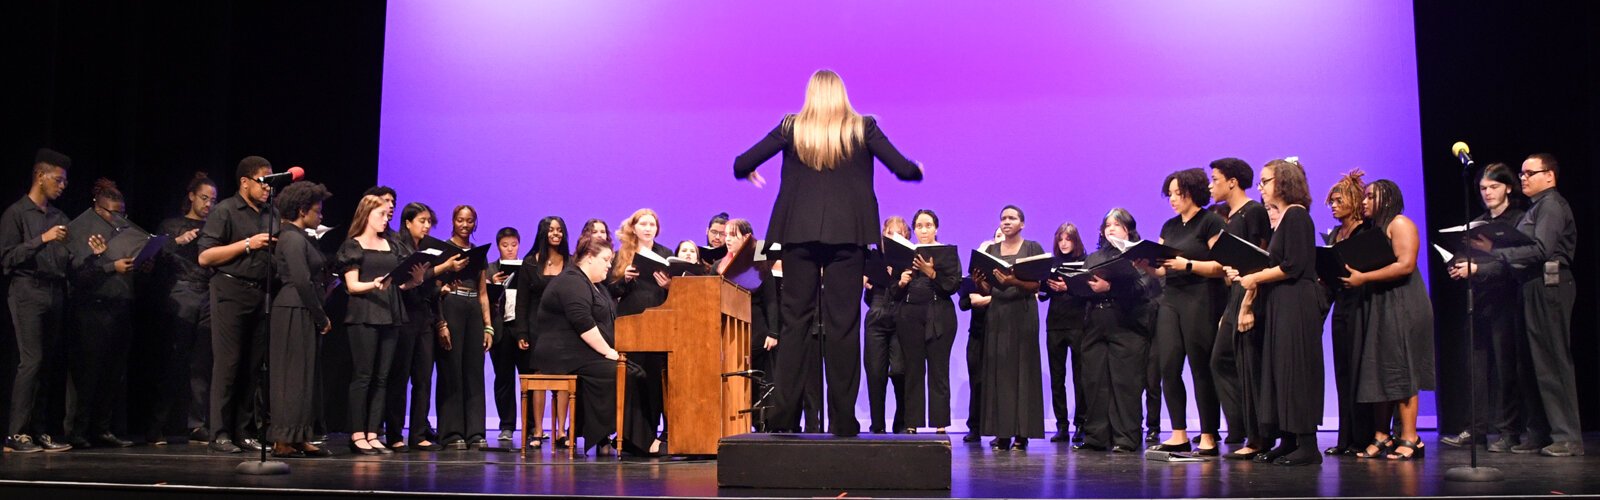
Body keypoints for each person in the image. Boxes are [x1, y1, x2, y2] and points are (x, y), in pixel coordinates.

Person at [733, 69, 923, 436]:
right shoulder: (862, 128)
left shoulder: (791, 127)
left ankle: (783, 418)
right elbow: (902, 169)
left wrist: (751, 171)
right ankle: (843, 421)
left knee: (795, 326)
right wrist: (917, 170)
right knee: (843, 327)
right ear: (842, 95)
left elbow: (741, 162)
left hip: (798, 236)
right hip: (847, 237)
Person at [1474, 153, 1580, 457]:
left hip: (1550, 285)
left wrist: (1500, 254)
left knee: (1552, 362)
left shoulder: (1552, 206)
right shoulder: (1537, 207)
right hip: (1531, 285)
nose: (1523, 178)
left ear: (1549, 176)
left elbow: (1542, 248)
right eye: (1521, 173)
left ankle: (1567, 437)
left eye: (1529, 173)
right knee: (1530, 365)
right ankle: (1540, 434)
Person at [1228, 158, 1324, 466]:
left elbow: (1293, 266)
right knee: (1281, 369)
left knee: (1296, 368)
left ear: (1283, 182)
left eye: (1265, 181)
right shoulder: (1283, 219)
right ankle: (1288, 439)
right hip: (1281, 301)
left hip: (1297, 302)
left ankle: (1308, 444)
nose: (1261, 188)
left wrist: (1254, 278)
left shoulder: (1297, 216)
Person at [530, 233, 655, 455]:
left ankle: (629, 439)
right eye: (606, 260)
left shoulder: (596, 285)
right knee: (625, 373)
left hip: (581, 353)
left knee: (637, 371)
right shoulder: (571, 280)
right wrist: (609, 352)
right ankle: (634, 440)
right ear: (589, 257)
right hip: (563, 355)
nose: (609, 265)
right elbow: (583, 323)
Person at [1342, 179, 1435, 461]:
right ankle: (1382, 435)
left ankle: (1411, 436)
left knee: (1402, 367)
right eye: (1365, 197)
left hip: (1402, 303)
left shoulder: (1400, 223)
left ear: (1388, 198)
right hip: (1380, 303)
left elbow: (1405, 264)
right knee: (1379, 367)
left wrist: (1363, 278)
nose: (1365, 201)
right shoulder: (1374, 230)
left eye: (1371, 197)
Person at [1442, 162, 1526, 451]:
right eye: (1483, 188)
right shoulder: (1476, 222)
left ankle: (1508, 431)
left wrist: (1476, 268)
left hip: (1506, 300)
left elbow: (1512, 262)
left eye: (1494, 187)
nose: (1488, 193)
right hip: (1477, 301)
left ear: (1508, 188)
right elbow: (1466, 256)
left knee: (1505, 369)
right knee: (1474, 368)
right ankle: (1474, 429)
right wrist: (1457, 265)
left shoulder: (1519, 219)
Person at [196, 155, 277, 454]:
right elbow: (205, 257)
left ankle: (244, 431)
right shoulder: (226, 210)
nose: (268, 187)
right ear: (245, 182)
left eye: (270, 182)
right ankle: (219, 432)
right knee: (228, 364)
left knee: (252, 366)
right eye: (262, 181)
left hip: (261, 293)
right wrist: (247, 244)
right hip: (230, 290)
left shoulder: (271, 213)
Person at [1145, 168, 1228, 455]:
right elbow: (1160, 268)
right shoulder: (1169, 227)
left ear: (1191, 192)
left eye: (1176, 193)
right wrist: (1144, 265)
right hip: (1172, 298)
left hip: (1201, 297)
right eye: (1169, 194)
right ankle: (1178, 432)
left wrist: (1187, 265)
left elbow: (1221, 266)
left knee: (1200, 365)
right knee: (1168, 365)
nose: (1171, 199)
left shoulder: (1210, 221)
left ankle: (1208, 434)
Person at [339, 195, 426, 454]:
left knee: (382, 377)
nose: (386, 219)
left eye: (388, 215)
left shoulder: (392, 245)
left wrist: (416, 281)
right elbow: (353, 286)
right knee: (364, 376)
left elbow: (398, 284)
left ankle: (374, 432)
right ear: (367, 214)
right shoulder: (352, 245)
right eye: (381, 214)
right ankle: (357, 433)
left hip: (390, 313)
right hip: (364, 314)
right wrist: (374, 283)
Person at [1, 149, 75, 453]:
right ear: (40, 176)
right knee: (31, 361)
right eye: (58, 179)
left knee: (47, 365)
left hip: (55, 291)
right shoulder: (16, 213)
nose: (62, 185)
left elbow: (68, 258)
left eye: (65, 181)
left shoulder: (60, 216)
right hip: (26, 291)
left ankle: (40, 430)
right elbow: (7, 257)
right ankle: (16, 434)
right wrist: (41, 239)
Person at [64, 178, 144, 449]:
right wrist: (110, 266)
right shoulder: (81, 228)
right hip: (91, 310)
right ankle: (77, 430)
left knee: (113, 374)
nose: (120, 218)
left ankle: (102, 428)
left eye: (123, 212)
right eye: (115, 212)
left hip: (120, 307)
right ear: (99, 209)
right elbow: (76, 275)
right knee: (87, 374)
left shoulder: (123, 229)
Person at [1205, 158, 1273, 457]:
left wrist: (1248, 299)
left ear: (1232, 181)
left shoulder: (1254, 212)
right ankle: (1243, 428)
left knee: (1249, 365)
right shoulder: (1230, 216)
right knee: (1221, 360)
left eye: (1215, 178)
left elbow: (1264, 256)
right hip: (1235, 295)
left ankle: (1257, 436)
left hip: (1252, 295)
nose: (1211, 185)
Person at [1076, 208, 1158, 453]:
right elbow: (1085, 288)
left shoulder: (1139, 256)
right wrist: (1070, 285)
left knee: (1126, 383)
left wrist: (1109, 287)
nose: (1111, 229)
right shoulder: (1093, 257)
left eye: (1117, 225)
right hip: (1096, 322)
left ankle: (1126, 438)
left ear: (1128, 230)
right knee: (1095, 381)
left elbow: (1144, 287)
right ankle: (1096, 437)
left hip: (1127, 323)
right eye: (1107, 225)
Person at [266, 181, 336, 458]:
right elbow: (301, 280)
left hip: (302, 308)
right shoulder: (291, 237)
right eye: (317, 212)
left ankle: (300, 435)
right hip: (294, 308)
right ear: (302, 210)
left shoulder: (299, 236)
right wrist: (321, 316)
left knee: (305, 376)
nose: (320, 217)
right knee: (291, 376)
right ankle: (283, 438)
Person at [149, 172, 218, 445]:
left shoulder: (214, 227)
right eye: (204, 198)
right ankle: (157, 425)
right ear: (191, 196)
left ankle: (196, 425)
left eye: (213, 200)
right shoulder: (172, 225)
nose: (208, 205)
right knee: (174, 362)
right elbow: (152, 253)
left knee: (201, 364)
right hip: (181, 293)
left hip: (207, 293)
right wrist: (178, 241)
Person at [973, 205, 1044, 450]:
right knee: (999, 372)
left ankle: (1021, 434)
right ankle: (1002, 433)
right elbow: (986, 289)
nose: (1006, 222)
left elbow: (1036, 285)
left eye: (1012, 218)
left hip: (1022, 313)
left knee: (1022, 371)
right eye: (1003, 218)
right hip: (999, 314)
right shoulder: (991, 250)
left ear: (1022, 224)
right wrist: (980, 282)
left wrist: (1013, 281)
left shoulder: (1032, 248)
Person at [384, 201, 449, 452]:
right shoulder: (398, 247)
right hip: (403, 316)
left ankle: (419, 433)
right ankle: (394, 433)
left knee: (423, 378)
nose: (426, 226)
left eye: (429, 222)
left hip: (424, 316)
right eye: (422, 221)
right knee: (399, 378)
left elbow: (428, 286)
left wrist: (439, 288)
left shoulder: (428, 249)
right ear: (408, 222)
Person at [609, 208, 672, 454]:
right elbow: (609, 291)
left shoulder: (666, 254)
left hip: (658, 320)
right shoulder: (622, 254)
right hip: (631, 321)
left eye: (652, 224)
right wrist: (624, 279)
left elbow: (679, 291)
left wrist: (669, 285)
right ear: (633, 227)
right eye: (643, 224)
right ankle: (629, 435)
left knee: (655, 380)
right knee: (633, 377)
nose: (648, 228)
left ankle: (651, 435)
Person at [893, 209, 961, 435]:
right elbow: (892, 293)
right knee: (912, 370)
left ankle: (940, 423)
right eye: (919, 226)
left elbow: (952, 285)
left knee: (939, 369)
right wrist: (901, 282)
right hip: (910, 316)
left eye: (928, 225)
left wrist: (931, 273)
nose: (924, 230)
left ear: (936, 228)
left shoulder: (947, 254)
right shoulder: (904, 253)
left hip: (939, 315)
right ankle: (911, 422)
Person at [435, 205, 494, 450]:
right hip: (451, 306)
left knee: (474, 371)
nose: (465, 225)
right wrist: (441, 323)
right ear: (453, 221)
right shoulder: (442, 249)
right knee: (451, 370)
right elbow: (435, 288)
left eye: (470, 221)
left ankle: (475, 432)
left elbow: (483, 292)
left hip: (473, 309)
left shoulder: (478, 253)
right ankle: (451, 433)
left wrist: (488, 327)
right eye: (460, 220)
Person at [1320, 168, 1370, 456]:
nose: (1334, 206)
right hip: (1341, 303)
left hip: (1362, 302)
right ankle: (1345, 438)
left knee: (1360, 370)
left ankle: (1362, 437)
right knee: (1342, 369)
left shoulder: (1366, 231)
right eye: (1331, 202)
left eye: (1339, 200)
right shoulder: (1336, 233)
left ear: (1353, 200)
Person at [513, 216, 571, 450]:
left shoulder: (571, 262)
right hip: (536, 328)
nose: (556, 234)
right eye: (551, 230)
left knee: (563, 379)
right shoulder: (529, 263)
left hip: (565, 328)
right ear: (542, 233)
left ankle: (560, 431)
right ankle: (537, 430)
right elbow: (522, 302)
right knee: (538, 378)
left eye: (559, 230)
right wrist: (521, 333)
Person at [1040, 222, 1087, 443]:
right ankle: (1061, 426)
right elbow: (1042, 295)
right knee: (1057, 378)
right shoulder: (1051, 262)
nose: (1064, 243)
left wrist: (1068, 287)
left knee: (1080, 377)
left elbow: (1089, 291)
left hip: (1078, 324)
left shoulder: (1084, 262)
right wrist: (1044, 285)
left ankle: (1081, 424)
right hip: (1055, 325)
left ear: (1075, 241)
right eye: (1061, 239)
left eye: (1068, 239)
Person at [863, 216, 909, 434]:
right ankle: (878, 425)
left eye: (898, 233)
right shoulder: (873, 256)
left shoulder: (910, 257)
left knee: (900, 371)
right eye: (889, 233)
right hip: (877, 315)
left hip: (901, 316)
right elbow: (867, 296)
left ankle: (902, 422)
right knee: (875, 373)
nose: (892, 238)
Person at [959, 227, 1003, 443]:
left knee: (1000, 382)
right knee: (977, 381)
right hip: (978, 333)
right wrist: (997, 297)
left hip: (1002, 332)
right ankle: (974, 427)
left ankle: (1000, 429)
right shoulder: (974, 277)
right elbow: (969, 302)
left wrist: (989, 298)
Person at [487, 226, 524, 445]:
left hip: (520, 328)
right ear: (499, 246)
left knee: (527, 378)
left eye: (514, 245)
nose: (510, 249)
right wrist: (494, 285)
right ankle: (507, 425)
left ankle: (531, 427)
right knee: (503, 378)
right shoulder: (491, 268)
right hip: (500, 328)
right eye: (505, 245)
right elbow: (486, 300)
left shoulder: (527, 267)